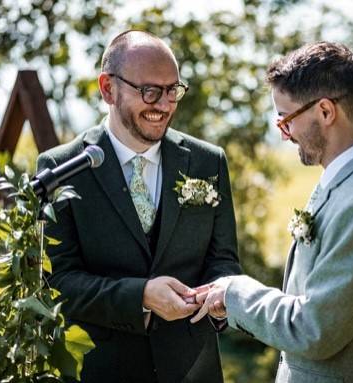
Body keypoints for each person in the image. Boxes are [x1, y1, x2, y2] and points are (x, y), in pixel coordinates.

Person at [191, 41, 353, 382]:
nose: (284, 135)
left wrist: (234, 292)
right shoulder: (345, 185)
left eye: (286, 120)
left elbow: (313, 328)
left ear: (326, 112)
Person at [37, 30, 241, 382]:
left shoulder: (209, 162)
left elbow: (223, 261)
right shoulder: (61, 168)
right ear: (107, 89)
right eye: (149, 91)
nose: (163, 105)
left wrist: (220, 298)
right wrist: (140, 296)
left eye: (172, 90)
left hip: (193, 369)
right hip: (102, 370)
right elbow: (57, 283)